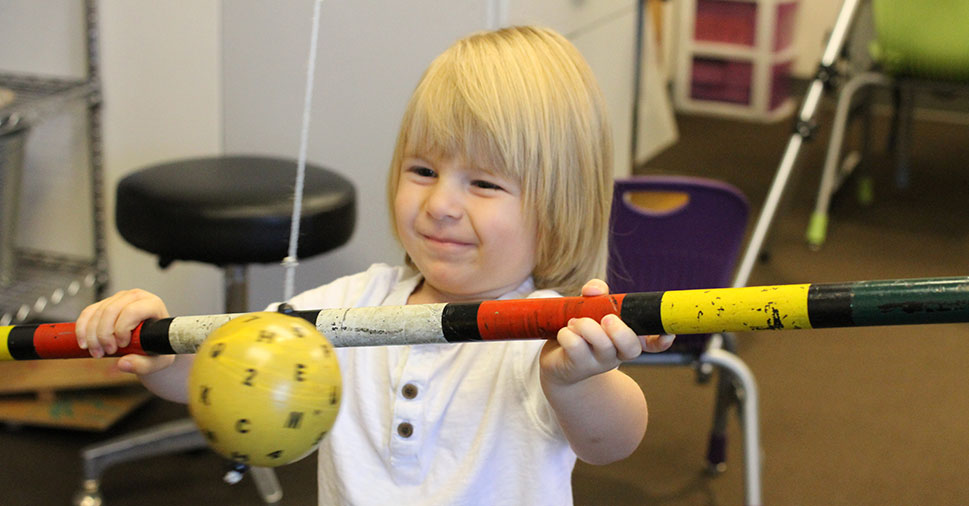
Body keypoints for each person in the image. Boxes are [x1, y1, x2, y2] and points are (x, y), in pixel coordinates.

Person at [75, 26, 674, 505]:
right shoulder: (350, 305)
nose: (439, 204)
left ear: (559, 207)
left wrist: (576, 379)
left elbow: (611, 442)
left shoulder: (546, 331)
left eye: (485, 183)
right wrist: (161, 352)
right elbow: (228, 368)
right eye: (423, 171)